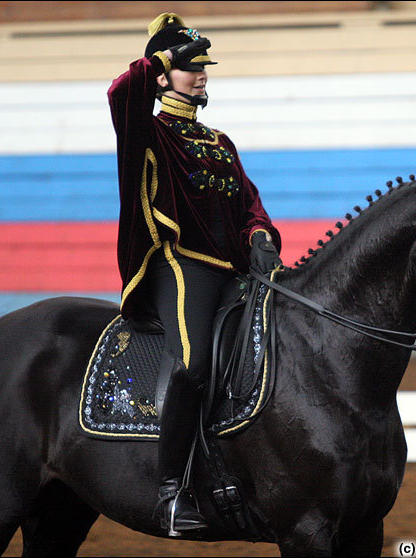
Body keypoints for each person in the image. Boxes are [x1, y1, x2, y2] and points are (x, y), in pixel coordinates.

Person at [107, 13, 282, 536]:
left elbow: (251, 203)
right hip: (178, 266)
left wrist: (260, 236)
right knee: (191, 365)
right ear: (162, 77)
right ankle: (169, 492)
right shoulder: (147, 132)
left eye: (203, 66)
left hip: (232, 271)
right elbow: (121, 92)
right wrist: (162, 54)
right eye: (189, 67)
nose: (201, 75)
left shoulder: (220, 142)